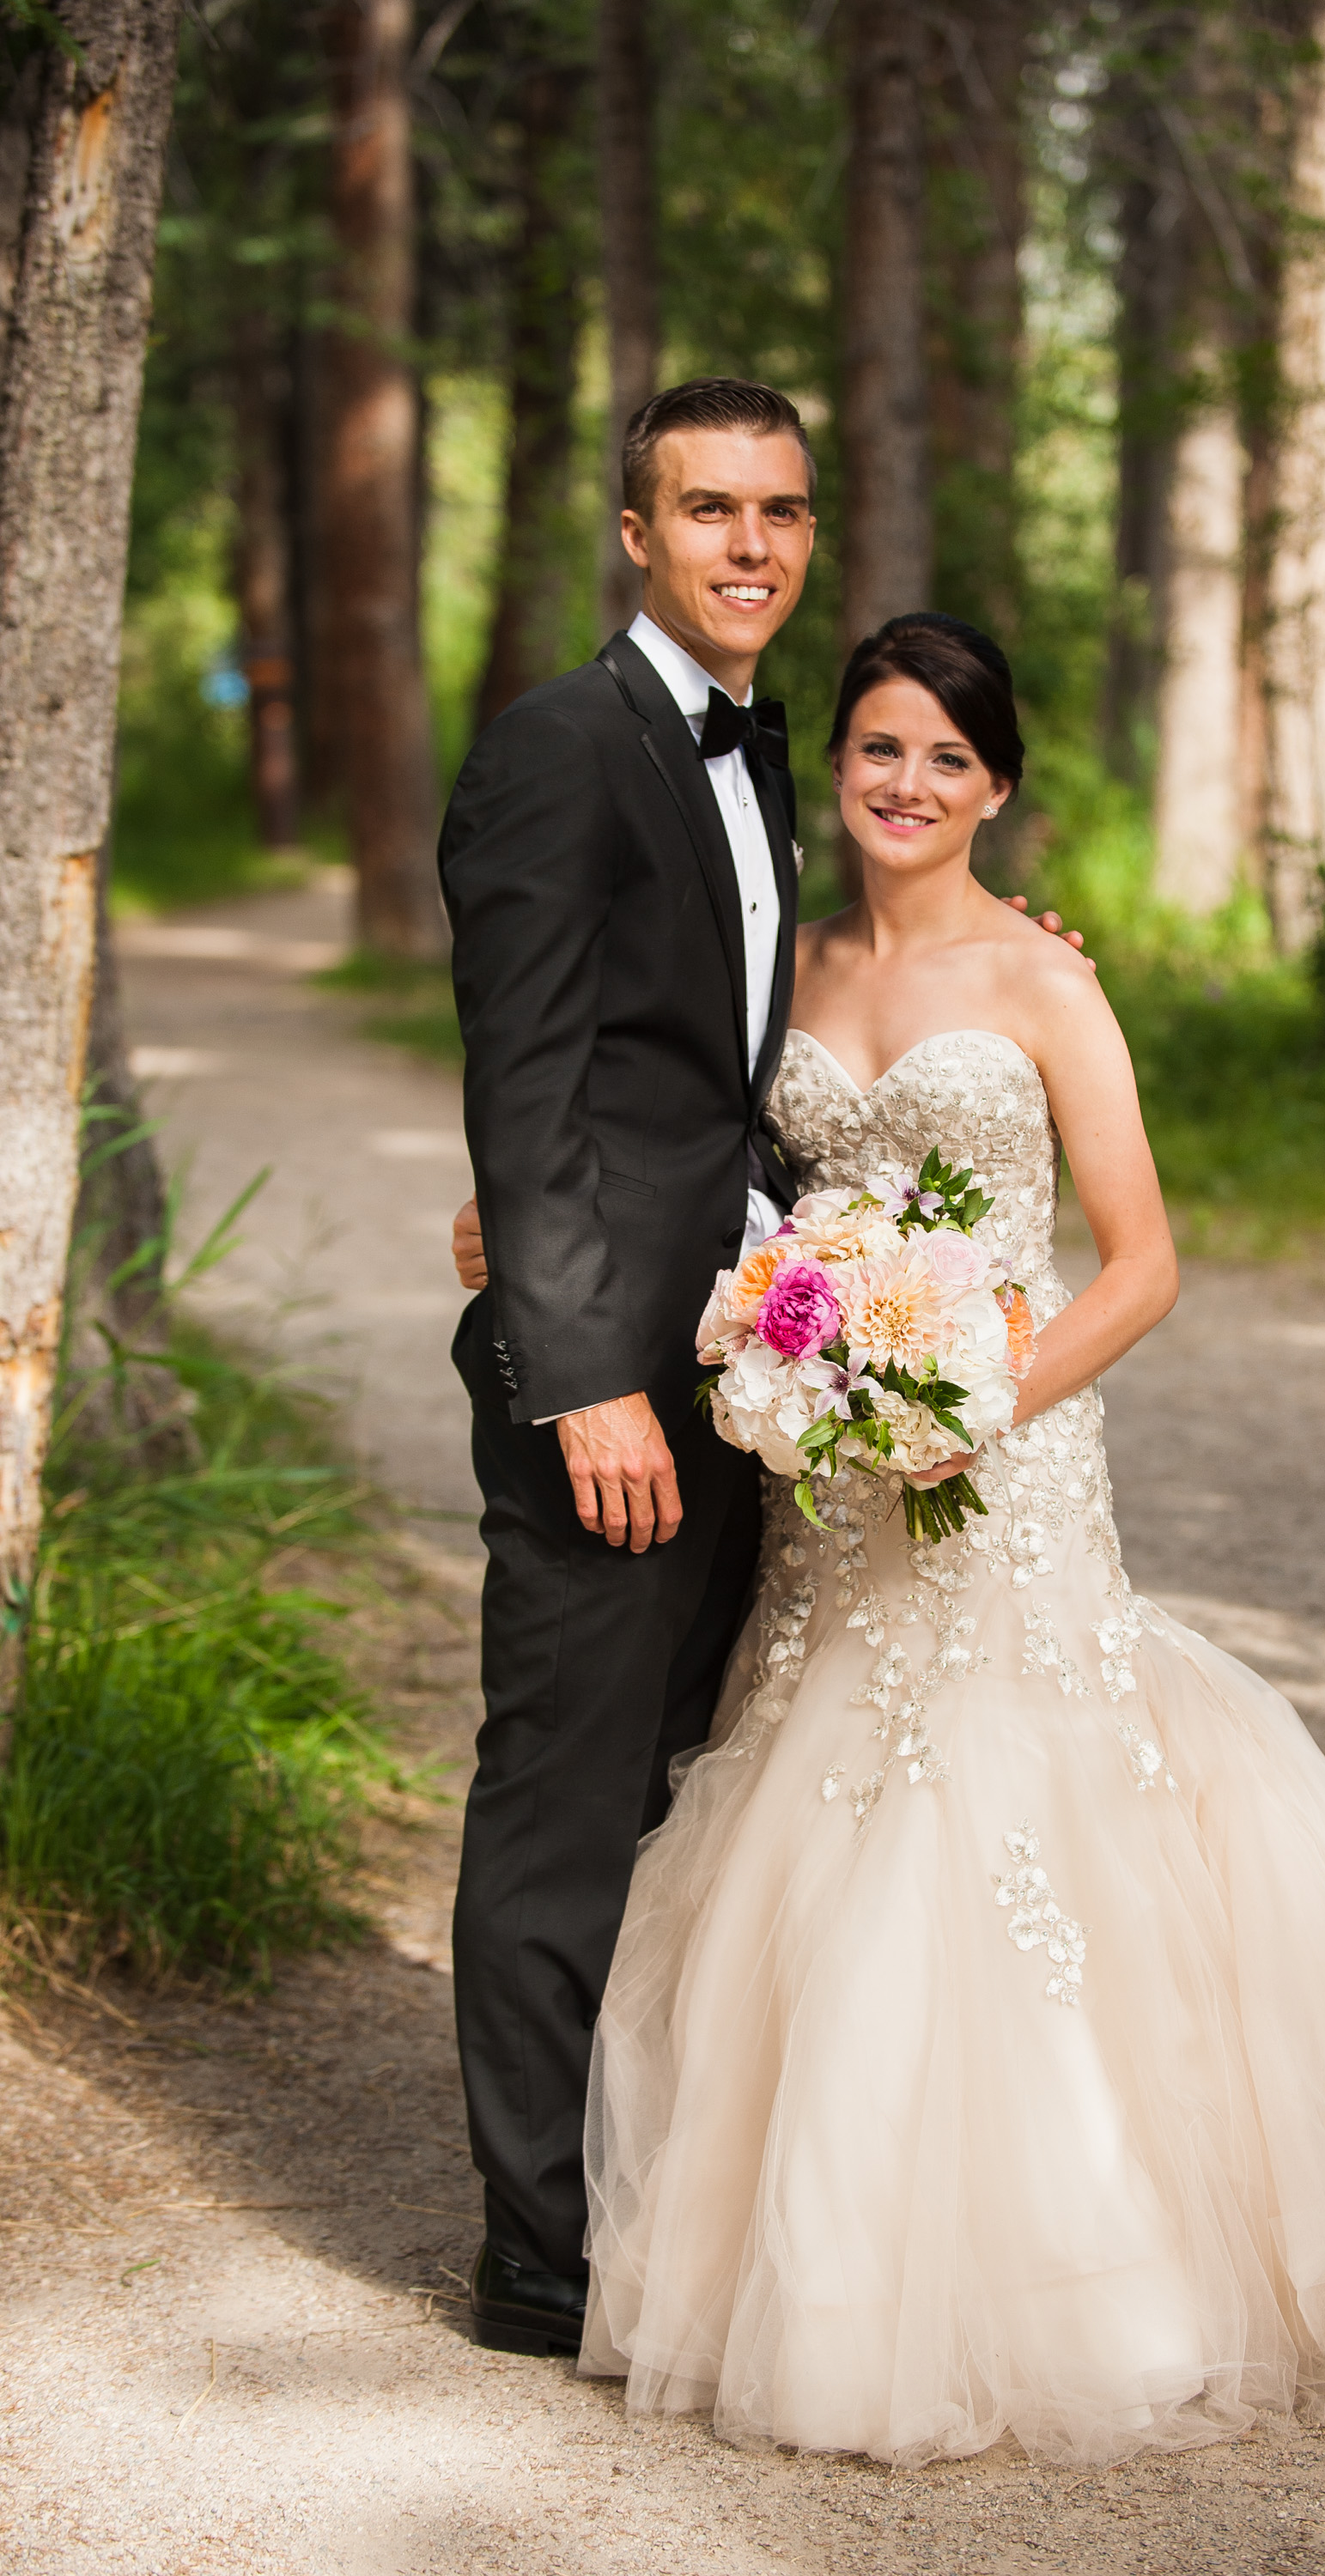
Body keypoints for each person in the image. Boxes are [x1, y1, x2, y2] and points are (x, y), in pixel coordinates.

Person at [458, 611, 1325, 2465]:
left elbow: (1143, 1259)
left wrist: (967, 1409)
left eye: (945, 757)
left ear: (995, 786)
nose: (905, 783)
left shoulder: (1045, 984)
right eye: (877, 749)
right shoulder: (788, 969)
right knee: (805, 1798)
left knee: (1009, 1800)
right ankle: (799, 2253)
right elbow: (669, 1108)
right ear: (834, 766)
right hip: (825, 1478)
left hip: (997, 1459)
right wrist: (525, 1216)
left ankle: (1089, 2263)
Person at [441, 381, 1085, 2361]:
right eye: (706, 509)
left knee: (687, 1803)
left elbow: (723, 1079)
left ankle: (657, 2201)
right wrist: (575, 1371)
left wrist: (994, 980)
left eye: (779, 511)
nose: (748, 544)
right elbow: (528, 1080)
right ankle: (538, 2256)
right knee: (565, 1805)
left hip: (746, 1383)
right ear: (632, 532)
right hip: (615, 1398)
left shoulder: (757, 753)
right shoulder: (558, 747)